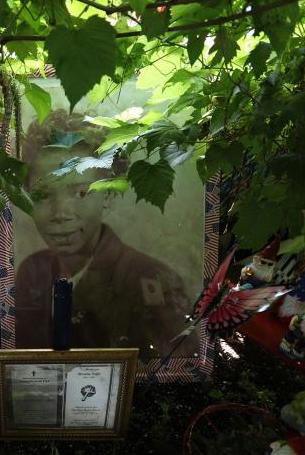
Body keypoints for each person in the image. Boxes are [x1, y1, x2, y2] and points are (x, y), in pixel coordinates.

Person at [13, 111, 192, 358]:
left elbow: (170, 369)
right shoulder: (32, 271)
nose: (60, 213)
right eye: (42, 195)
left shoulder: (153, 281)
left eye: (81, 193)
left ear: (108, 196)